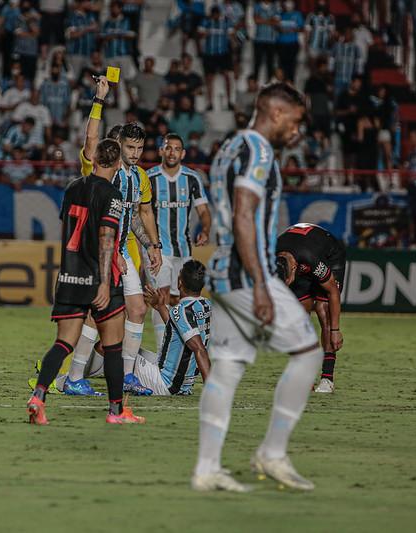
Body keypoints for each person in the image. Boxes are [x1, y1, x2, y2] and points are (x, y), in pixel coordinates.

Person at [194, 82, 322, 492]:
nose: (297, 131)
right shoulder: (260, 150)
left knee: (227, 369)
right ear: (277, 114)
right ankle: (272, 452)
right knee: (308, 352)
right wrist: (262, 285)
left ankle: (207, 468)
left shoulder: (231, 146)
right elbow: (244, 214)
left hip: (222, 271)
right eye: (296, 121)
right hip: (249, 274)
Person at [26, 138, 145, 425]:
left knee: (63, 342)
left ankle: (39, 396)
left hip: (69, 275)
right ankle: (116, 412)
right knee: (113, 346)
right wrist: (105, 282)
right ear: (118, 164)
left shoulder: (72, 188)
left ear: (94, 161)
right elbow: (106, 238)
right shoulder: (113, 194)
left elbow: (69, 229)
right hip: (96, 277)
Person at [60, 77, 161, 396]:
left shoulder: (138, 177)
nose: (135, 153)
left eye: (140, 148)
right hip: (99, 253)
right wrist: (99, 100)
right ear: (118, 147)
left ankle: (128, 375)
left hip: (122, 252)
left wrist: (151, 246)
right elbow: (90, 140)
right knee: (97, 312)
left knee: (138, 309)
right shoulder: (104, 170)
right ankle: (74, 376)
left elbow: (132, 219)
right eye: (130, 147)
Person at [146, 133, 211, 351]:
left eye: (176, 149)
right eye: (168, 148)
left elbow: (203, 210)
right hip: (159, 250)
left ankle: (176, 346)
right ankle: (162, 349)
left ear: (183, 153)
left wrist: (206, 228)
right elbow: (140, 212)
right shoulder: (150, 177)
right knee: (161, 297)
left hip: (183, 250)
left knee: (179, 300)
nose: (172, 152)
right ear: (161, 151)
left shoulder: (192, 178)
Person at [275, 223, 346, 394]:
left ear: (293, 268)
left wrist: (335, 329)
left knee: (323, 310)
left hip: (329, 255)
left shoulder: (311, 258)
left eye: (287, 282)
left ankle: (327, 378)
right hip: (300, 255)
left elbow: (333, 292)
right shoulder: (268, 257)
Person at [138, 260, 211, 396]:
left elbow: (199, 349)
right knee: (134, 351)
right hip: (182, 385)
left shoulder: (181, 310)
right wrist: (160, 307)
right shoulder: (206, 305)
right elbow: (180, 328)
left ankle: (83, 374)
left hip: (165, 384)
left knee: (118, 348)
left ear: (179, 283)